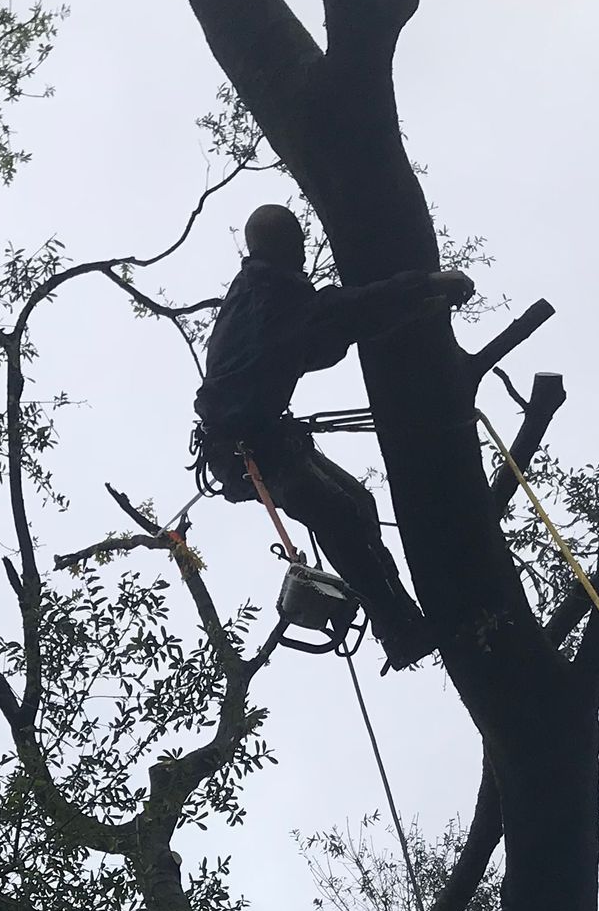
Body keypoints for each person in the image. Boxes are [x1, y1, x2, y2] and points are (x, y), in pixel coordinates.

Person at [195, 204, 471, 670]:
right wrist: (423, 287)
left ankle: (399, 619)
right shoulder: (271, 292)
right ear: (284, 246)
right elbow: (345, 312)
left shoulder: (259, 295)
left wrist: (416, 306)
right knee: (341, 516)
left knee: (358, 503)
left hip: (262, 440)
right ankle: (401, 630)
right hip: (247, 451)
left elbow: (322, 338)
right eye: (299, 243)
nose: (305, 253)